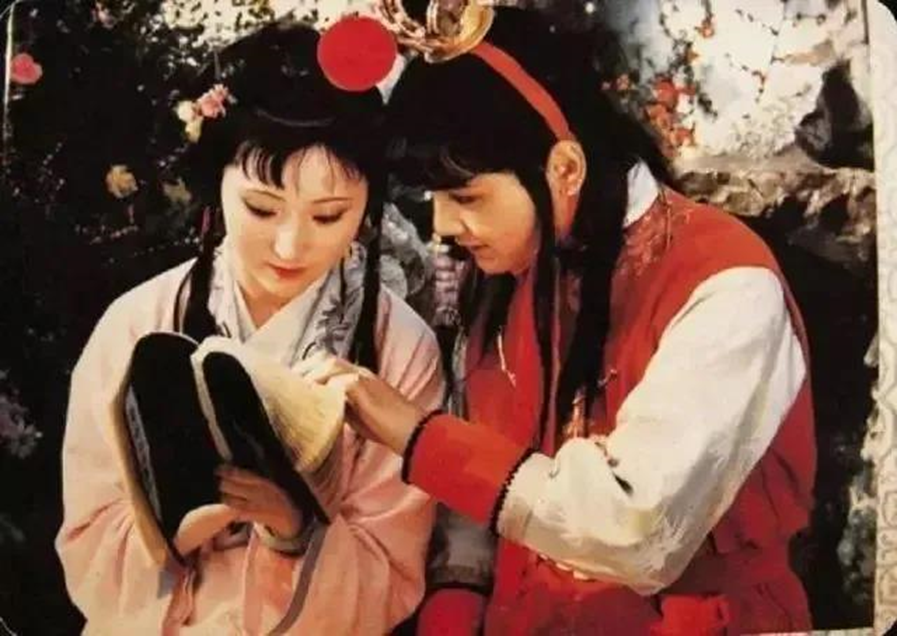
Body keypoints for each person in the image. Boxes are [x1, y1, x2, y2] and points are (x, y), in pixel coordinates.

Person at [305, 5, 816, 635]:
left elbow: (636, 530)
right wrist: (454, 610)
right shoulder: (514, 267)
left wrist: (415, 435)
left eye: (465, 196)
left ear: (565, 168)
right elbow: (482, 500)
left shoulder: (725, 283)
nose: (442, 224)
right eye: (433, 199)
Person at [55, 22, 443, 635]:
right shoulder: (136, 323)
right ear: (217, 186)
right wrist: (174, 531)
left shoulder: (398, 348)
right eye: (262, 208)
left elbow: (392, 567)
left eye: (328, 216)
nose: (290, 246)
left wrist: (294, 533)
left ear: (368, 208)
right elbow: (88, 540)